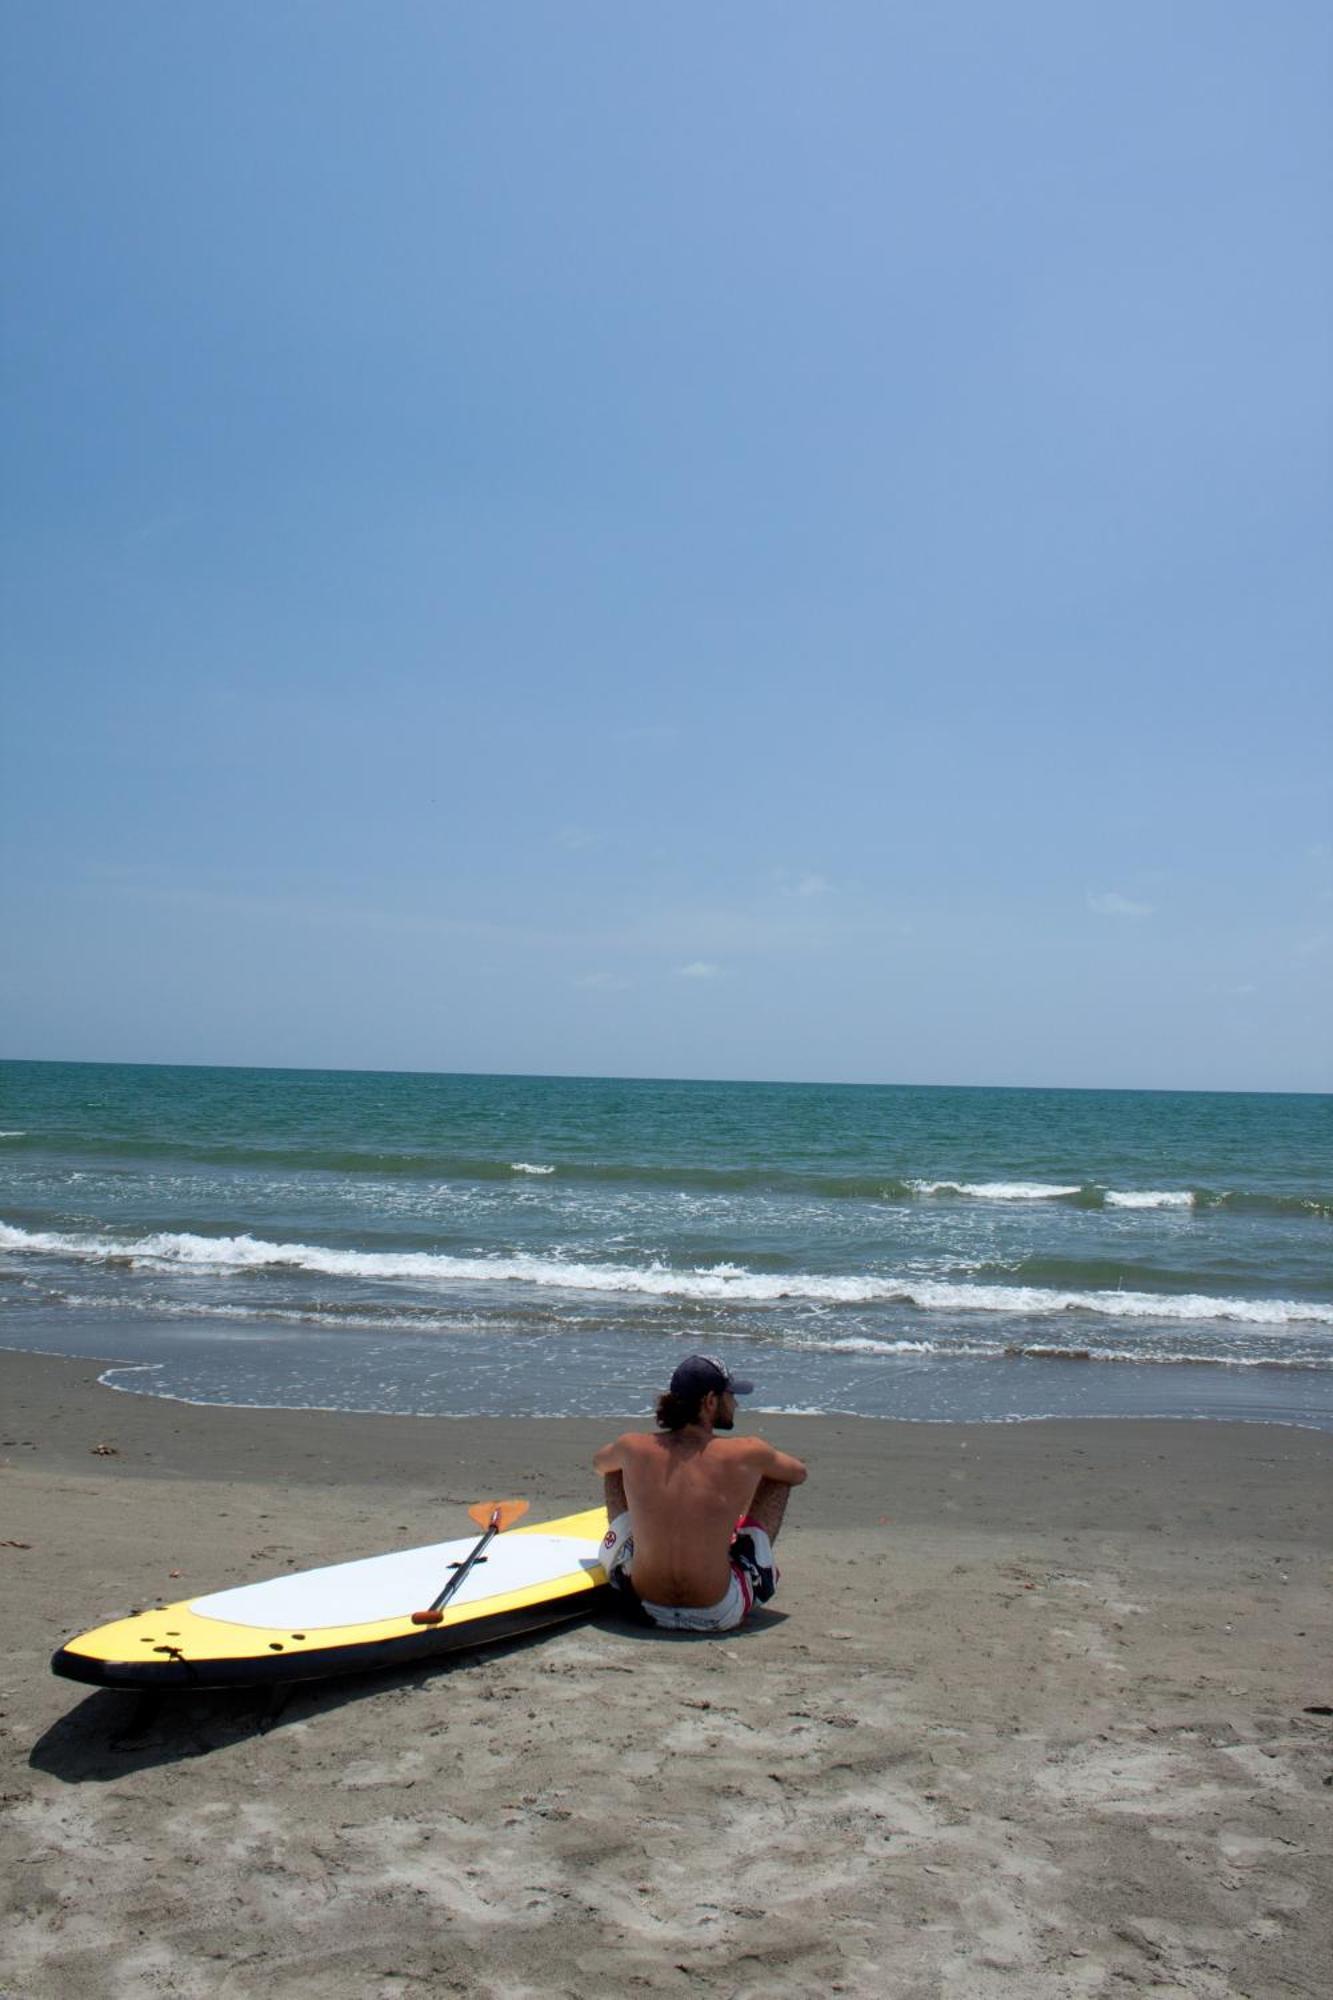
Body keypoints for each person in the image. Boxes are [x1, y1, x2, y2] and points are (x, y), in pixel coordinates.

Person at [592, 1353, 808, 1632]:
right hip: (716, 1610)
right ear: (710, 1401)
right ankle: (746, 1552)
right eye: (730, 1395)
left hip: (645, 1605)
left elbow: (599, 1464)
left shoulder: (632, 1446)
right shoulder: (747, 1451)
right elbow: (798, 1473)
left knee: (615, 1469)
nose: (736, 1403)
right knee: (779, 1479)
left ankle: (629, 1550)